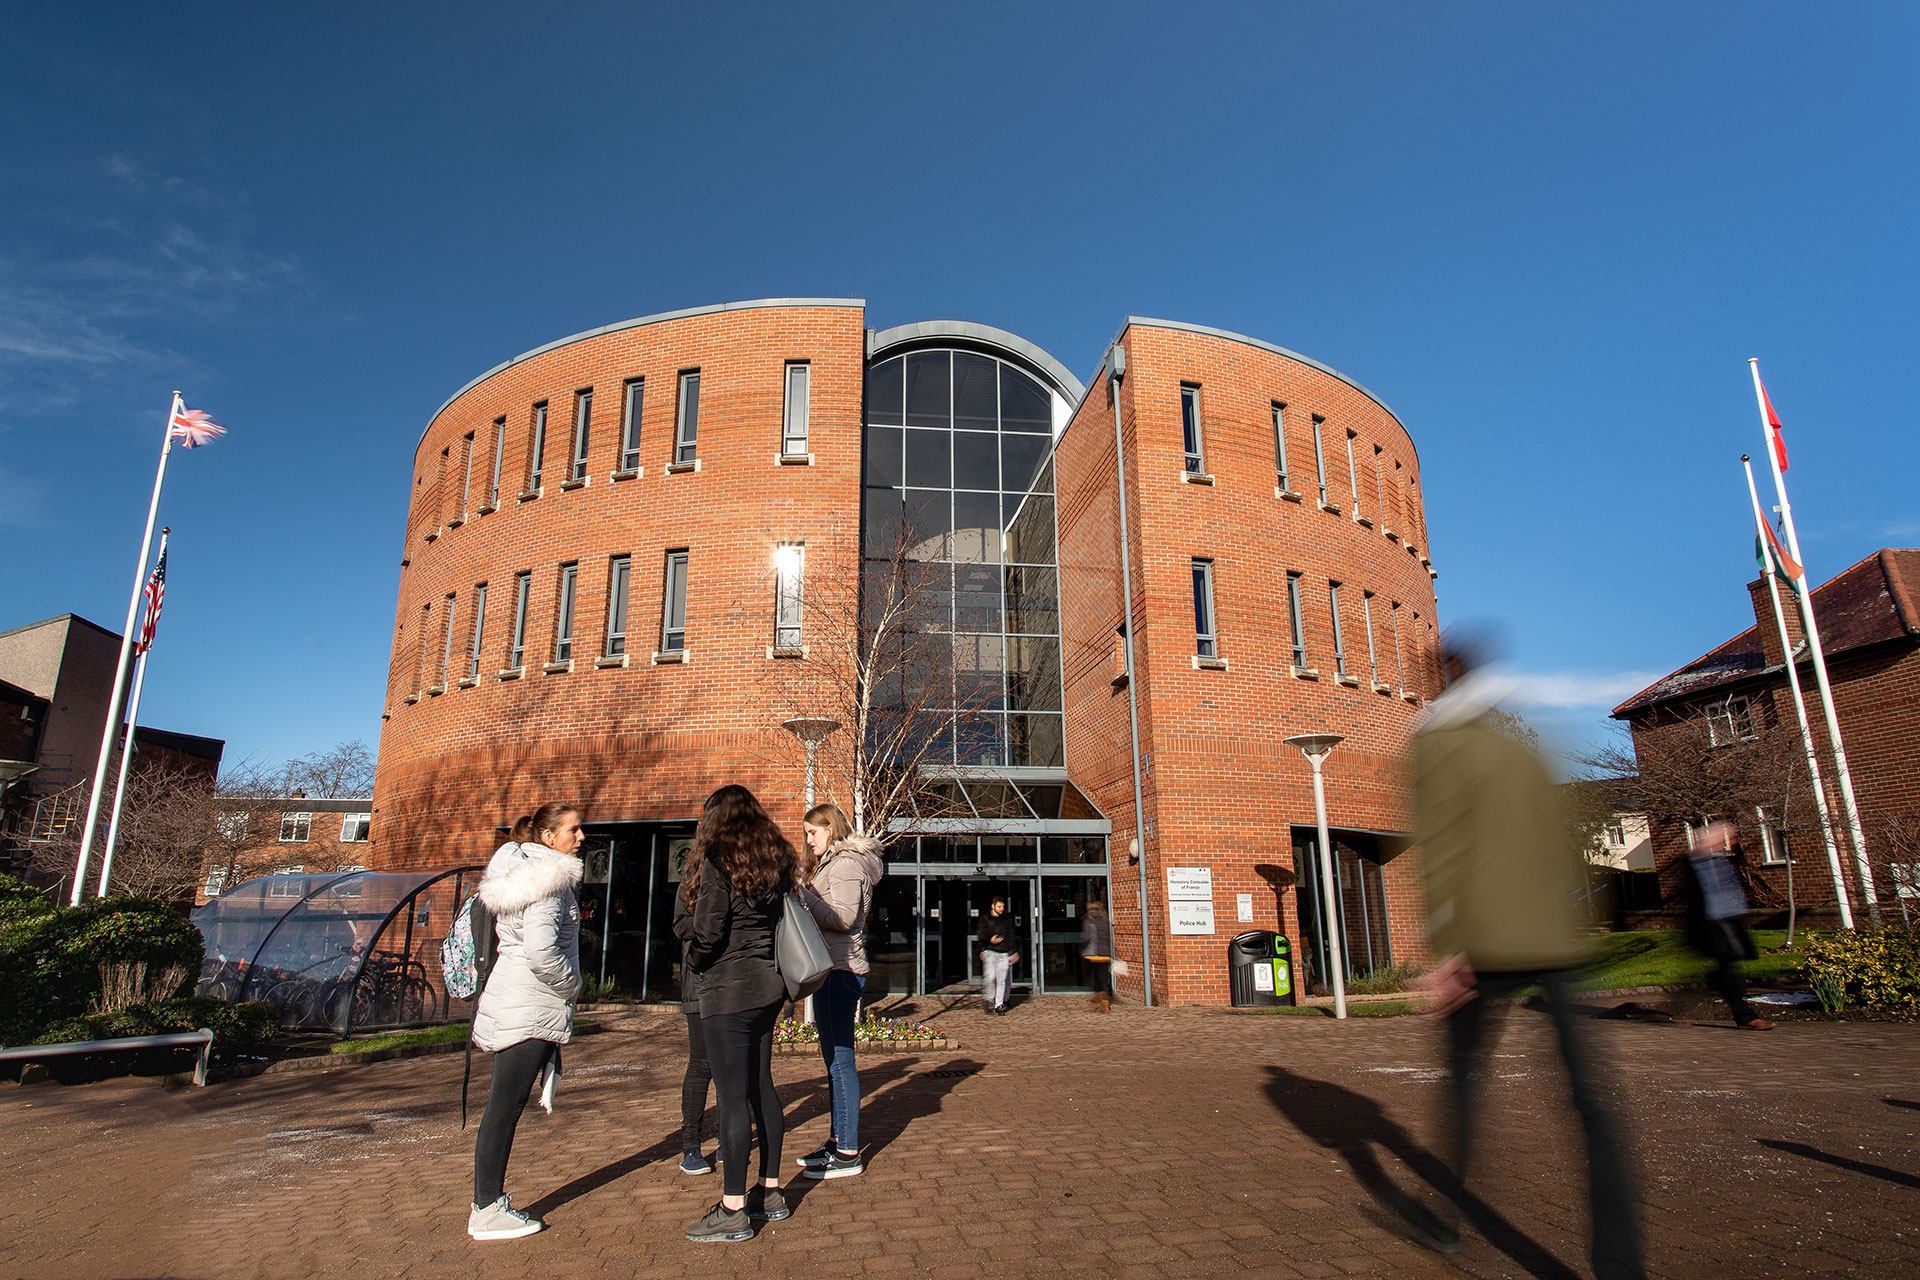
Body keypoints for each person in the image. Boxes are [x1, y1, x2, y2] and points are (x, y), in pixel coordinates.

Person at [1412, 635, 1647, 1278]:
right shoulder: (1522, 744)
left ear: (1444, 677)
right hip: (1556, 936)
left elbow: (1442, 846)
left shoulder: (1438, 741)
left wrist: (1446, 947)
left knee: (1463, 1081)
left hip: (1487, 943)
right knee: (1592, 1104)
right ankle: (1620, 1263)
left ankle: (1443, 1216)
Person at [467, 802, 585, 1241]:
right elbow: (540, 949)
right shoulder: (549, 882)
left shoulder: (519, 874)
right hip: (531, 1002)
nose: (580, 837)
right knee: (505, 1106)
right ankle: (486, 1208)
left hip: (514, 995)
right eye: (573, 830)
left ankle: (487, 1203)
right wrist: (572, 983)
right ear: (548, 837)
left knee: (502, 1105)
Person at [682, 784, 795, 1243]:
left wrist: (691, 961)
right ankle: (769, 1192)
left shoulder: (718, 858)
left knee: (731, 1098)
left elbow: (709, 932)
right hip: (769, 986)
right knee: (761, 1087)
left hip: (728, 992)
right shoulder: (778, 857)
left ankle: (732, 1210)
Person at [794, 802, 885, 1180]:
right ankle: (836, 1141)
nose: (808, 840)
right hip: (832, 969)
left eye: (812, 833)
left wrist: (806, 897)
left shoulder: (846, 865)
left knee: (841, 1062)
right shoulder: (836, 863)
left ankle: (848, 1151)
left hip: (842, 971)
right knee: (833, 1063)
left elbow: (846, 919)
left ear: (830, 828)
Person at [1682, 819, 1774, 1031]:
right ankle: (1745, 1016)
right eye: (1726, 837)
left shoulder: (1719, 860)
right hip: (1713, 924)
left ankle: (1727, 1002)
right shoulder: (1695, 862)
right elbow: (1698, 897)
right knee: (1728, 969)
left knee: (1726, 969)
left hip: (1727, 921)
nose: (1730, 841)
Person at [671, 885, 715, 1175]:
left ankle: (728, 1138)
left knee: (732, 1066)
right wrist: (714, 918)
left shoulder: (744, 865)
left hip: (734, 982)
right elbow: (681, 925)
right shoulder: (693, 875)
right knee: (701, 1064)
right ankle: (691, 1147)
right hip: (700, 982)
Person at [977, 896, 1019, 1015]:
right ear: (993, 906)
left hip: (1004, 953)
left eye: (1003, 907)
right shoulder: (985, 919)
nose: (1001, 909)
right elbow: (981, 935)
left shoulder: (1006, 920)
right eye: (999, 906)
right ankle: (989, 998)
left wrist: (1014, 951)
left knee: (1002, 980)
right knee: (990, 977)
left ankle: (999, 1005)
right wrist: (988, 943)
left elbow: (1011, 935)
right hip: (991, 952)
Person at [1080, 898, 1113, 1013]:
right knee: (1103, 980)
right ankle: (1104, 1002)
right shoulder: (1106, 921)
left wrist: (1082, 944)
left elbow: (1086, 937)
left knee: (1095, 981)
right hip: (1106, 954)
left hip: (1093, 955)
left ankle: (1102, 1003)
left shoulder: (1089, 921)